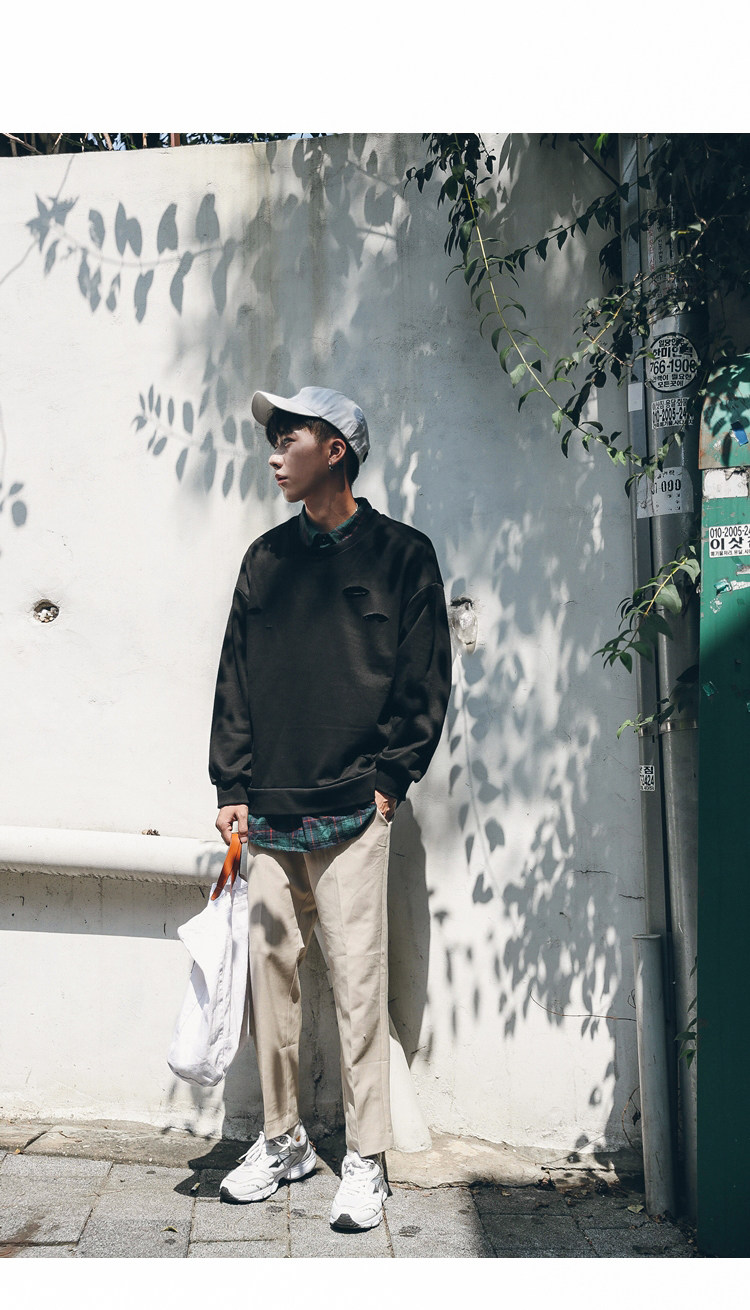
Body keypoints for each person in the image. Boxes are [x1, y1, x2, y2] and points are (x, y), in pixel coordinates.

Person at [209, 386, 451, 1231]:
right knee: (269, 981)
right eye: (271, 440)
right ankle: (282, 1141)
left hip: (355, 806)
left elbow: (426, 677)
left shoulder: (403, 554)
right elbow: (234, 674)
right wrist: (231, 785)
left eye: (290, 438)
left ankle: (366, 1158)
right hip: (271, 808)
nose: (275, 453)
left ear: (336, 449)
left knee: (358, 985)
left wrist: (392, 779)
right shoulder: (266, 559)